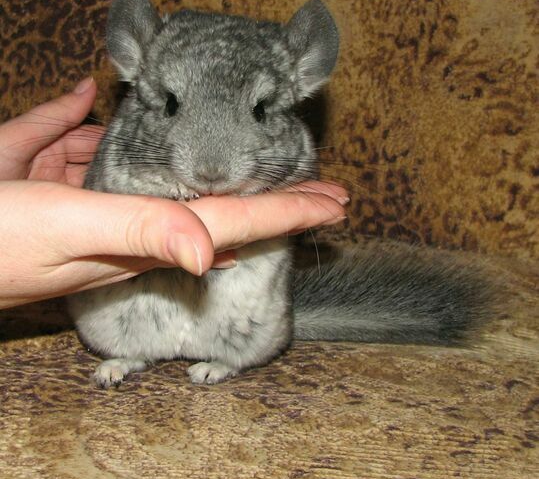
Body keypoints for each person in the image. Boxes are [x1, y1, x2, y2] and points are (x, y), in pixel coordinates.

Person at [0, 77, 348, 309]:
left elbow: (297, 165)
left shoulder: (287, 141)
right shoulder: (128, 142)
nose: (211, 170)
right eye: (173, 105)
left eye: (257, 111)